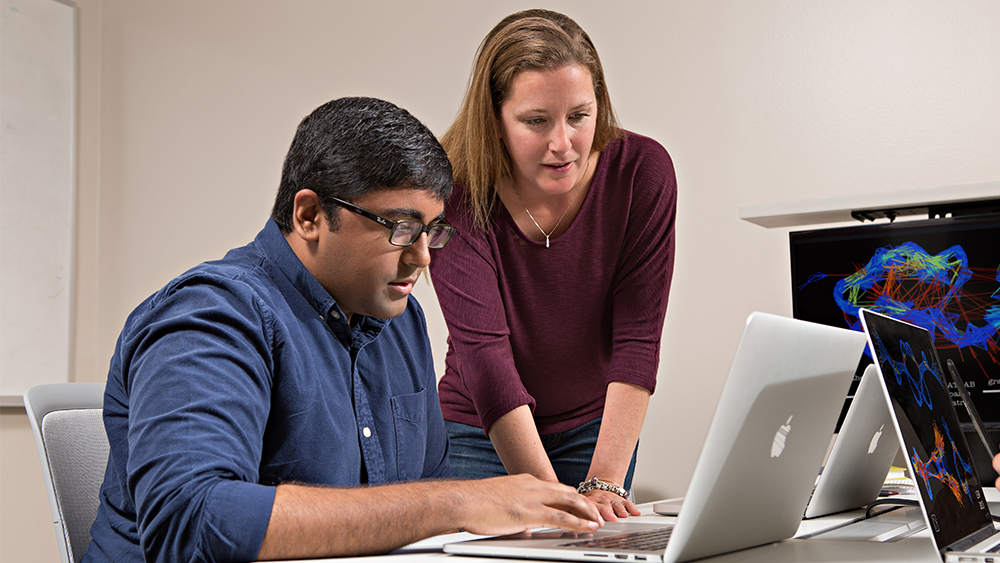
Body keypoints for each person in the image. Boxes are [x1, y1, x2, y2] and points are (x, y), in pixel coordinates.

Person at [83, 97, 603, 563]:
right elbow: (192, 523)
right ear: (310, 215)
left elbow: (421, 504)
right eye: (401, 228)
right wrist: (459, 501)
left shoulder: (399, 321)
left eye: (432, 231)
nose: (422, 257)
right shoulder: (210, 316)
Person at [428, 9, 677, 523]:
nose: (562, 143)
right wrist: (551, 497)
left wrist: (604, 480)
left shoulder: (642, 173)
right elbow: (485, 357)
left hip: (595, 430)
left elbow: (637, 340)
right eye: (536, 121)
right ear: (495, 120)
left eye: (579, 116)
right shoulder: (455, 192)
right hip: (478, 433)